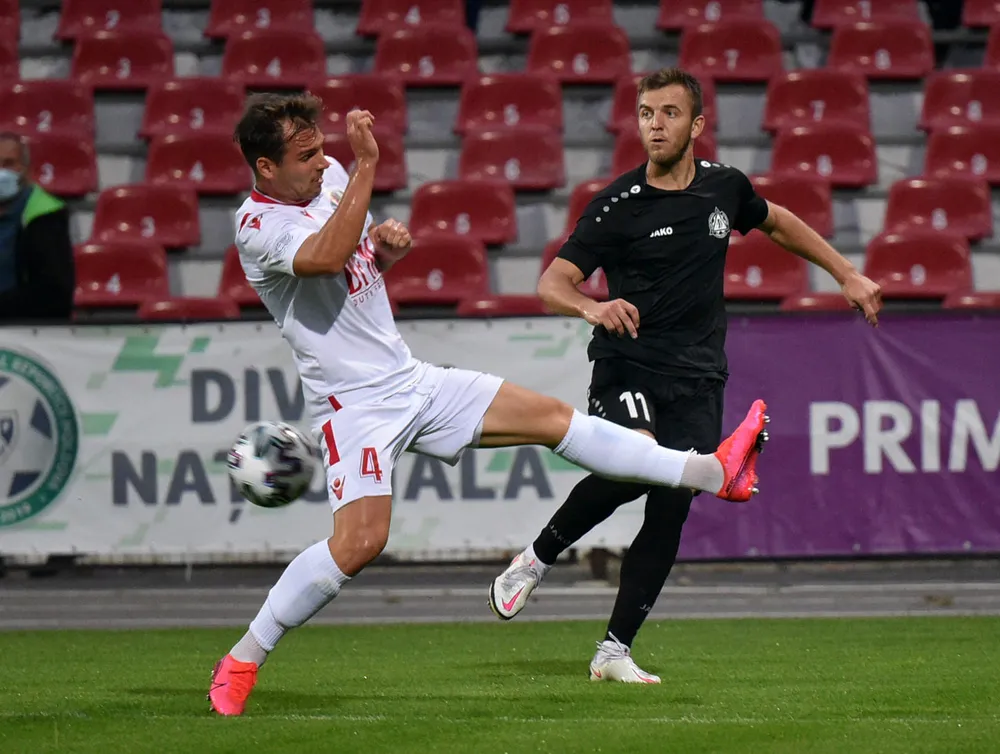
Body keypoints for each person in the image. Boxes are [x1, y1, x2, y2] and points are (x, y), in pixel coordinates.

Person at [207, 92, 769, 716]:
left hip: (410, 379)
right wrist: (366, 167)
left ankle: (712, 471)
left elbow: (350, 264)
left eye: (321, 150)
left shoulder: (332, 176)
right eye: (306, 156)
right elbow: (323, 257)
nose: (321, 162)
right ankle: (241, 660)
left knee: (552, 419)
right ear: (266, 167)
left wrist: (382, 253)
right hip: (354, 406)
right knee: (360, 543)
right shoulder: (257, 226)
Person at [487, 67, 883, 683]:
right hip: (628, 364)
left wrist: (846, 273)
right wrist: (592, 307)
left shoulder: (725, 188)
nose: (655, 125)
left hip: (699, 376)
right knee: (635, 463)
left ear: (696, 125)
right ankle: (536, 558)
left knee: (671, 504)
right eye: (646, 113)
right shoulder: (617, 205)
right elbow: (552, 282)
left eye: (669, 113)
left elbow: (778, 221)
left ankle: (613, 652)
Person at [0, 132, 75, 322]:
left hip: (27, 330)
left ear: (26, 171)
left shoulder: (45, 216)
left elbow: (54, 296)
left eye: (9, 164)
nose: (2, 172)